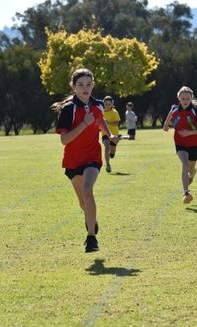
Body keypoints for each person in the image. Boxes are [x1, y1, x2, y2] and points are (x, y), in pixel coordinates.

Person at [52, 68, 118, 253]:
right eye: (80, 84)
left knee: (87, 189)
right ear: (73, 86)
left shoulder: (98, 105)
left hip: (92, 156)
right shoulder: (68, 109)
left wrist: (109, 135)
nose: (85, 88)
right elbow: (64, 140)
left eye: (88, 84)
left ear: (93, 85)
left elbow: (100, 120)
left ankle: (91, 238)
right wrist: (84, 124)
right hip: (73, 160)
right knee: (83, 201)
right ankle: (91, 220)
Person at [163, 86, 197, 204]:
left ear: (191, 98)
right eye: (182, 98)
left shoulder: (196, 111)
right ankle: (186, 192)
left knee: (191, 169)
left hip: (194, 144)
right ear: (178, 98)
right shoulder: (174, 109)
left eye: (187, 98)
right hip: (180, 143)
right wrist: (166, 125)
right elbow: (167, 122)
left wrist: (190, 133)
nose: (185, 100)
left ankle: (192, 174)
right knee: (185, 163)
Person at [101, 96, 121, 173]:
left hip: (114, 134)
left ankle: (112, 153)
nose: (107, 105)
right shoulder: (101, 112)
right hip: (105, 133)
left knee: (112, 151)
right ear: (104, 104)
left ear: (112, 104)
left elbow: (116, 123)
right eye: (106, 104)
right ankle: (108, 164)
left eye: (109, 104)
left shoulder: (115, 112)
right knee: (107, 146)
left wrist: (107, 123)